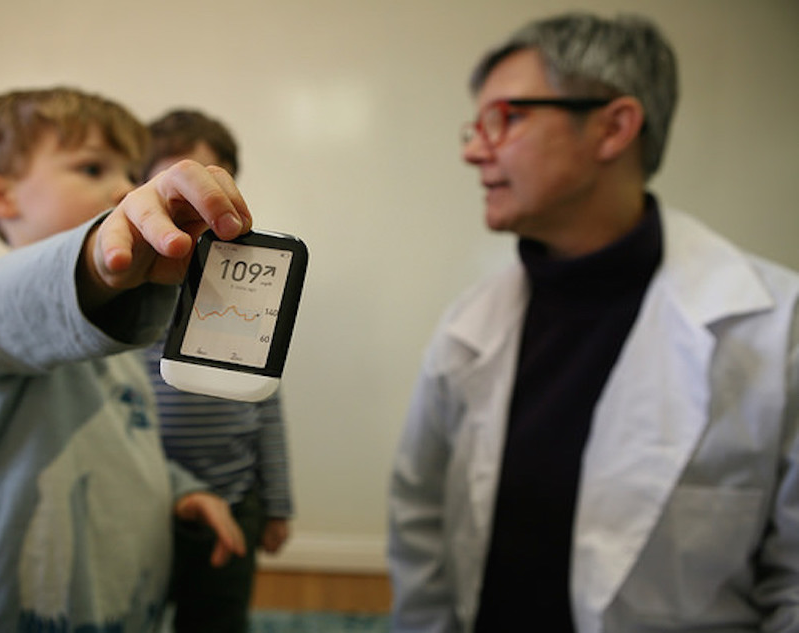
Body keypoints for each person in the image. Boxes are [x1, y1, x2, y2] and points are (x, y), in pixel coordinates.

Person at [388, 12, 799, 632]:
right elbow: (421, 531)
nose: (474, 150)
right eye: (476, 125)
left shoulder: (776, 329)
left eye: (506, 118)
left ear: (614, 127)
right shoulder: (468, 329)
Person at [0, 87, 251, 632]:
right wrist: (99, 257)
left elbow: (127, 449)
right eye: (92, 168)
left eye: (129, 171)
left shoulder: (120, 343)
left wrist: (184, 491)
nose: (122, 187)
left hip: (126, 605)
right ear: (0, 196)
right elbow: (47, 282)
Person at [140, 109, 293, 633]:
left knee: (219, 619)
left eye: (211, 181)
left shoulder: (245, 298)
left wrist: (276, 505)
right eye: (177, 185)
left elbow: (267, 409)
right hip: (147, 507)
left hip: (236, 499)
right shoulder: (128, 306)